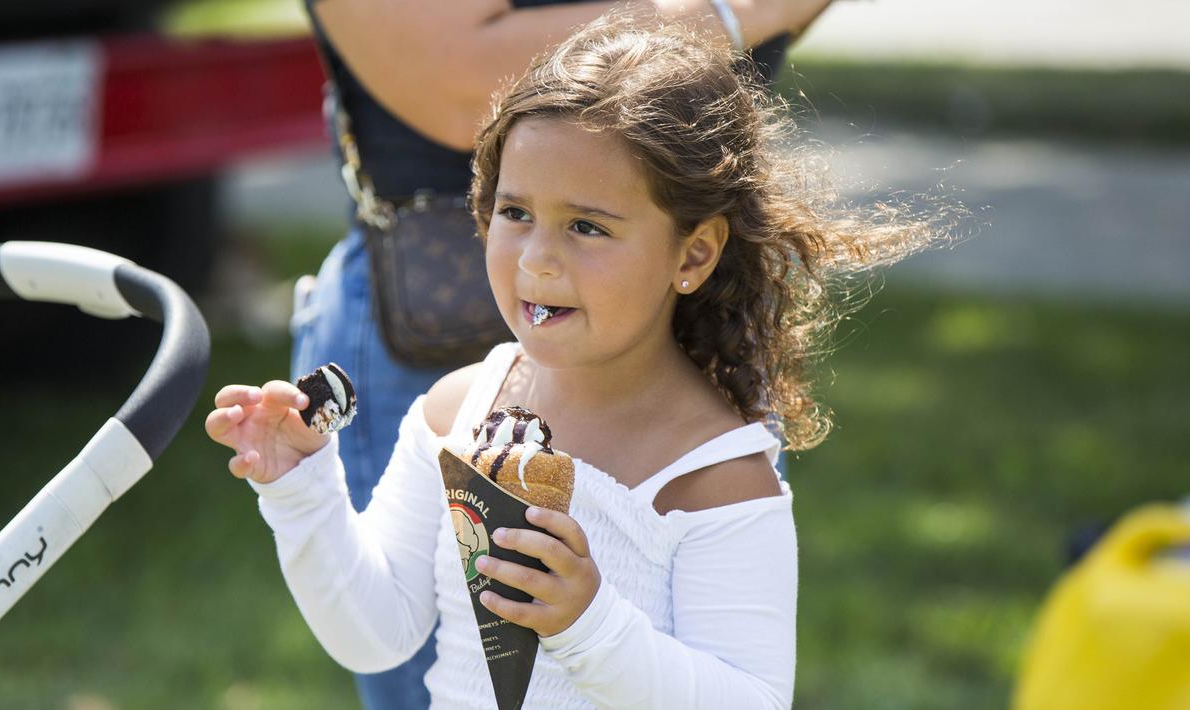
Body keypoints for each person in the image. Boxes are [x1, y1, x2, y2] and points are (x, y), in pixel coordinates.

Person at [218, 15, 943, 709]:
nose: (537, 258)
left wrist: (586, 623)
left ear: (691, 253)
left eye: (587, 226)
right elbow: (374, 636)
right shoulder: (455, 413)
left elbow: (748, 699)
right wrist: (299, 489)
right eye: (515, 213)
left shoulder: (714, 473)